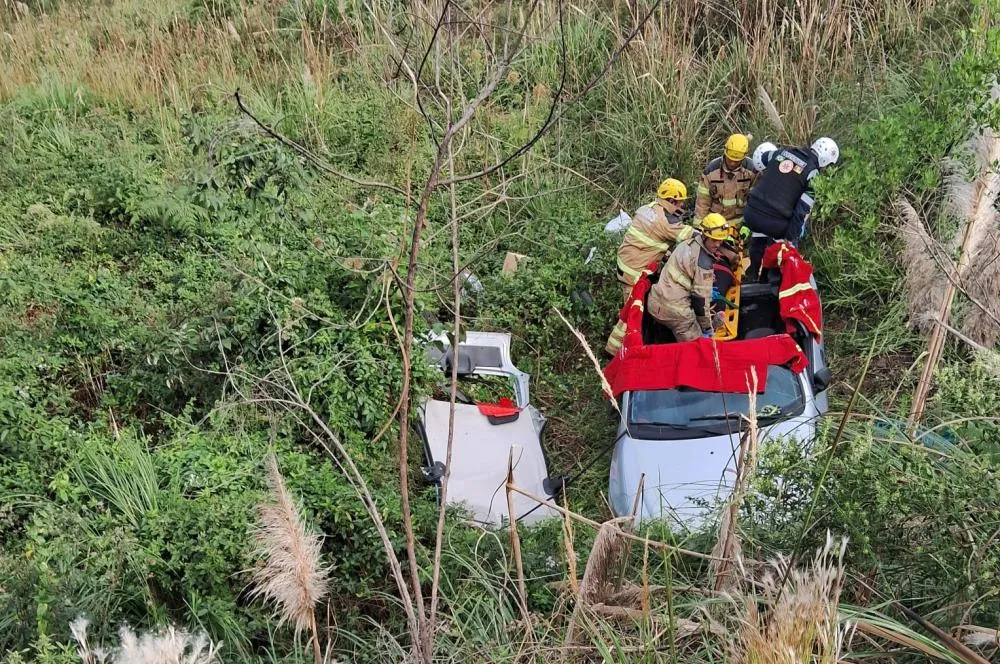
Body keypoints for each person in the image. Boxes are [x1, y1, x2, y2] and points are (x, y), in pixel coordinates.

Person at [743, 137, 839, 279]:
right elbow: (802, 211)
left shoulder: (781, 152)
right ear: (825, 160)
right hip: (774, 223)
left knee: (760, 231)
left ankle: (752, 272)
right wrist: (790, 238)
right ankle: (768, 278)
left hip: (751, 213)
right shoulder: (813, 174)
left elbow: (762, 158)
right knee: (784, 243)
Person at [647, 213, 730, 342]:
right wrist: (707, 328)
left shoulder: (686, 244)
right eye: (714, 240)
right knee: (697, 347)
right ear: (704, 236)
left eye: (721, 240)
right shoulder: (704, 263)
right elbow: (700, 302)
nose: (718, 245)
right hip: (676, 313)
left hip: (654, 302)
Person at [615, 178, 694, 303]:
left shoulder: (647, 208)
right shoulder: (667, 222)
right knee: (633, 309)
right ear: (672, 201)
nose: (682, 205)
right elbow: (693, 235)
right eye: (680, 202)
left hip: (625, 262)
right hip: (635, 273)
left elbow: (651, 238)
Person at [694, 133, 757, 229]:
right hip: (715, 225)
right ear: (725, 151)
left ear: (745, 156)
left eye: (736, 161)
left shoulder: (751, 170)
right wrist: (699, 230)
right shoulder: (711, 171)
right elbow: (702, 204)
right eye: (729, 159)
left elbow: (757, 202)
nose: (732, 163)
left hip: (741, 225)